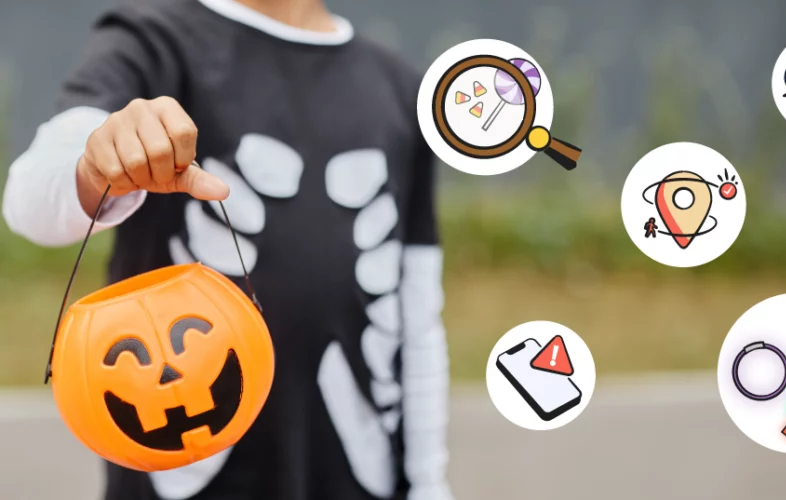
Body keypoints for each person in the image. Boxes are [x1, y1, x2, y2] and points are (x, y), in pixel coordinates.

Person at [2, 0, 452, 499]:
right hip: (180, 464)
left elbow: (418, 317)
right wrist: (94, 164)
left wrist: (430, 483)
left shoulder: (401, 87)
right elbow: (30, 198)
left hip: (358, 474)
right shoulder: (150, 42)